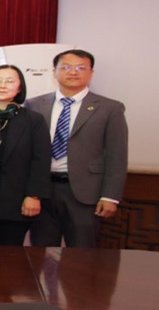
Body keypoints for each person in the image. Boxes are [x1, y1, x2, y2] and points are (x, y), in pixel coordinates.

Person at [25, 49, 128, 248]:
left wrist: (110, 196)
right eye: (66, 67)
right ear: (54, 71)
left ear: (91, 72)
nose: (73, 72)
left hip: (85, 193)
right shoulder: (34, 104)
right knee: (40, 254)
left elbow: (117, 156)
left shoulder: (110, 108)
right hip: (42, 191)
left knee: (82, 255)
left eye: (81, 67)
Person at [0, 65, 50, 246]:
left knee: (8, 256)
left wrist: (34, 195)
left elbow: (41, 160)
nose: (2, 85)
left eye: (9, 81)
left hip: (14, 199)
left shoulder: (33, 120)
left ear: (19, 88)